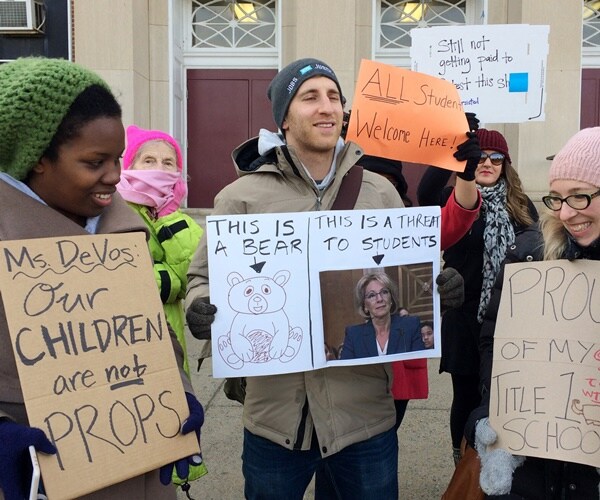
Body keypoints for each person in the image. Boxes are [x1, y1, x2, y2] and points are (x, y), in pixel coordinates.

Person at [184, 58, 468, 500]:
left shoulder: (380, 191)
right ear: (283, 117)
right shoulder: (239, 197)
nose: (327, 107)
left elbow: (412, 275)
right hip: (276, 422)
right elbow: (202, 278)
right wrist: (200, 308)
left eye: (334, 97)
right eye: (310, 97)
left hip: (365, 421)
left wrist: (439, 290)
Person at [0, 57, 203, 500]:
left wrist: (179, 391)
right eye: (95, 162)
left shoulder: (121, 225)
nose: (115, 176)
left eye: (117, 158)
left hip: (143, 462)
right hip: (42, 472)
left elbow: (152, 330)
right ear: (36, 159)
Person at [464, 127, 600, 498]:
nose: (567, 213)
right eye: (556, 198)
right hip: (531, 469)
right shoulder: (530, 255)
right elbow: (496, 346)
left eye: (581, 196)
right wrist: (490, 415)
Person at [418, 128, 539, 465]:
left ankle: (501, 463)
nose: (487, 162)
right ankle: (463, 464)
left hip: (508, 316)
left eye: (495, 157)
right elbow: (424, 191)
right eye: (480, 156)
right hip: (462, 313)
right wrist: (453, 153)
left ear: (506, 164)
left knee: (502, 394)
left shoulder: (522, 206)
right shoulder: (451, 197)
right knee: (467, 394)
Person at [117, 125, 203, 376]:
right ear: (130, 165)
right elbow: (121, 280)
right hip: (128, 332)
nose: (158, 168)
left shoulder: (176, 216)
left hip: (172, 330)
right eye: (149, 160)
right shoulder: (114, 210)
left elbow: (197, 272)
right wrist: (171, 281)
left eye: (168, 162)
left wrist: (168, 218)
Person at [339, 273, 425, 360]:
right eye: (371, 295)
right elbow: (346, 372)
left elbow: (420, 365)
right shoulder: (354, 336)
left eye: (384, 292)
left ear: (391, 299)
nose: (379, 299)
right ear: (364, 305)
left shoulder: (410, 326)